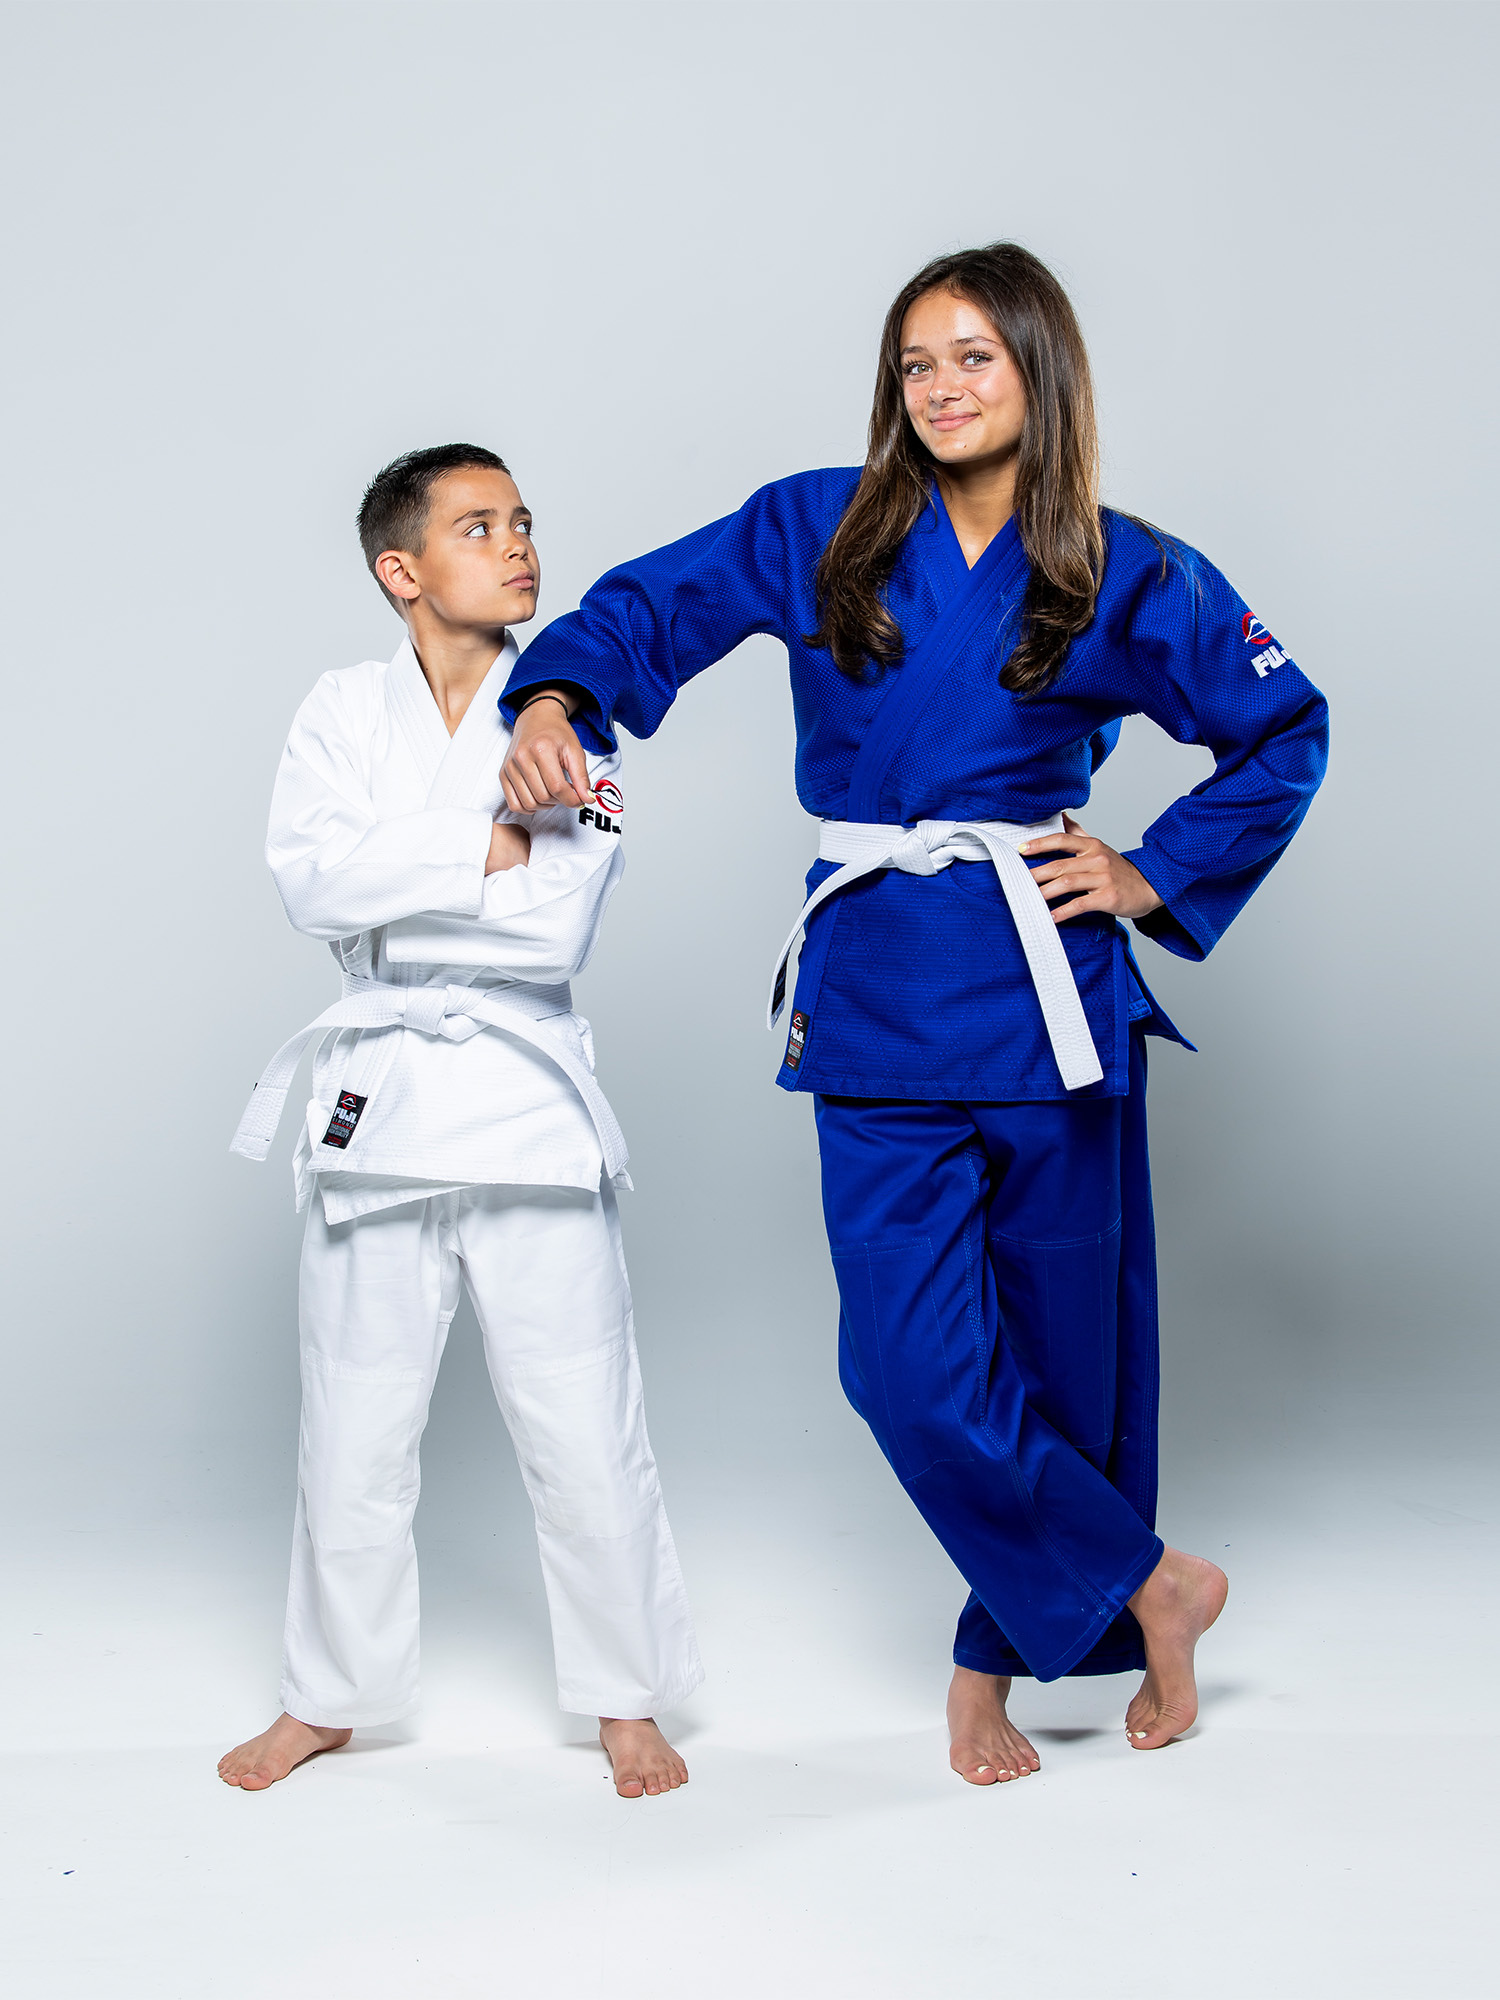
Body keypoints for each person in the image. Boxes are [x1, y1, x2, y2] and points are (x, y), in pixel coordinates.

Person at [495, 246, 1329, 1785]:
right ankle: (1161, 1585)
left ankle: (982, 1670)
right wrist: (553, 699)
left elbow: (1284, 725)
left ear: (1041, 374)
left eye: (973, 361)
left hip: (1043, 998)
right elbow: (643, 610)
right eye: (914, 364)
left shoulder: (1124, 566)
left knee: (1061, 1363)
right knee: (908, 1365)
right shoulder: (824, 526)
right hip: (878, 990)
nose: (939, 390)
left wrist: (1153, 870)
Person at [219, 445, 701, 1799]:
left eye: (525, 524)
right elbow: (312, 885)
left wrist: (429, 864)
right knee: (354, 1423)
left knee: (580, 1417)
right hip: (379, 1091)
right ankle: (328, 1694)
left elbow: (555, 915)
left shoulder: (567, 714)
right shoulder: (336, 709)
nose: (520, 547)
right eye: (479, 526)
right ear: (402, 569)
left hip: (522, 1087)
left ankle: (625, 1697)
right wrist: (481, 843)